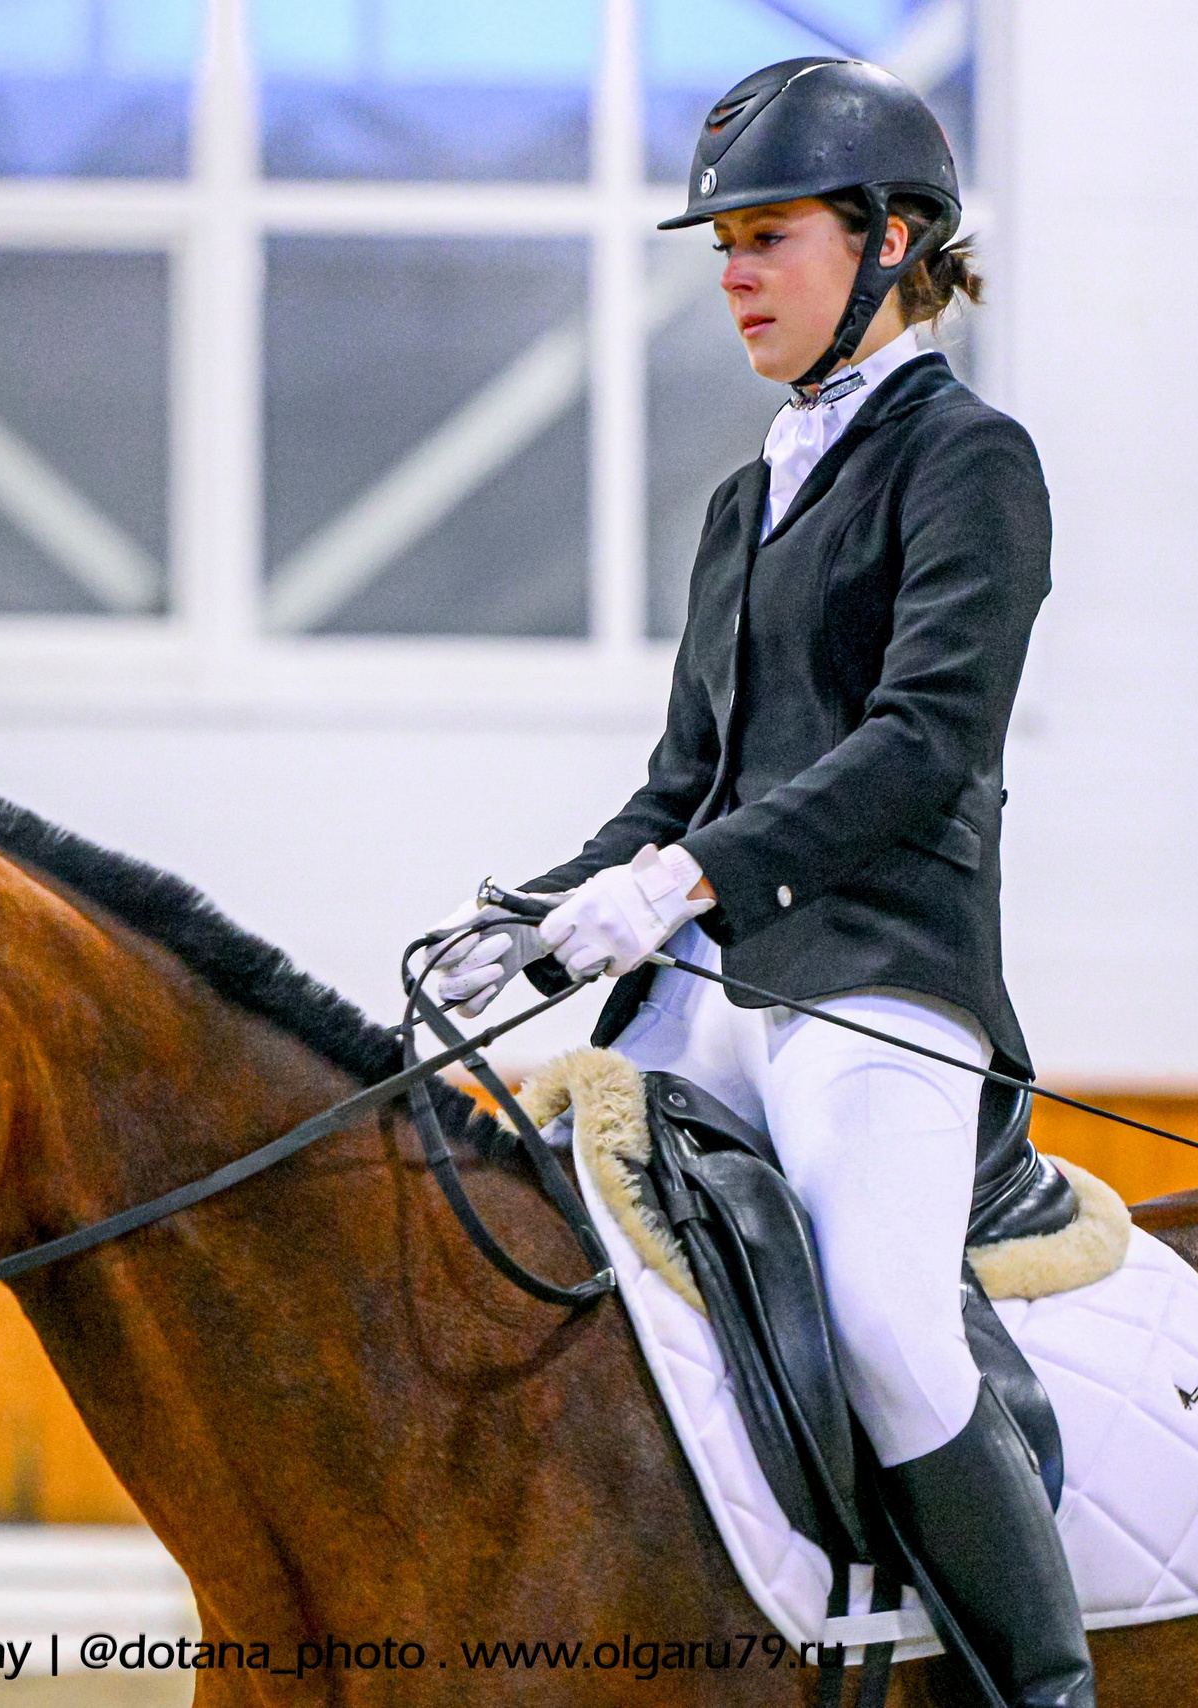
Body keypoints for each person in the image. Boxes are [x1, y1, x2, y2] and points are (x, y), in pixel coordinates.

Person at [425, 57, 1090, 1708]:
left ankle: (1041, 1685)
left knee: (879, 1323)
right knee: (529, 1258)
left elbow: (921, 743)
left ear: (889, 241)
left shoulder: (969, 460)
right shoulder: (747, 497)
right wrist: (533, 921)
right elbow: (683, 782)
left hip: (879, 980)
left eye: (766, 238)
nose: (730, 276)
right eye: (722, 245)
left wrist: (679, 887)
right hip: (706, 999)